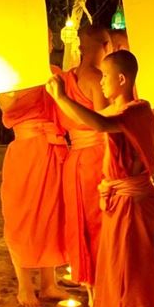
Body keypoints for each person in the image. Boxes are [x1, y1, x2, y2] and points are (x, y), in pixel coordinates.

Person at [47, 50, 154, 307]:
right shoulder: (118, 108)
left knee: (141, 272)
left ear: (122, 79)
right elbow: (100, 121)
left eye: (105, 76)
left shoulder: (138, 111)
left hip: (136, 200)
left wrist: (62, 98)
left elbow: (99, 124)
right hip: (120, 198)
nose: (100, 83)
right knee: (124, 269)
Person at [0, 84, 69, 307]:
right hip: (26, 152)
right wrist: (15, 88)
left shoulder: (55, 74)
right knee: (21, 216)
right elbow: (6, 105)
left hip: (54, 149)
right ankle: (25, 286)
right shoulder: (10, 76)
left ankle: (49, 284)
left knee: (51, 214)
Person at [58, 25, 112, 291]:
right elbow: (107, 120)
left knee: (83, 222)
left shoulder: (67, 78)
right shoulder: (95, 77)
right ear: (104, 45)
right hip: (96, 156)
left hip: (74, 157)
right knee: (101, 220)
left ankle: (91, 287)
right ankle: (102, 286)